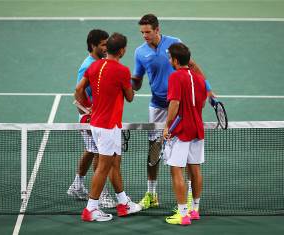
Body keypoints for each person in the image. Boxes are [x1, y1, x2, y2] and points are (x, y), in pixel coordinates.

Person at [131, 13, 214, 210]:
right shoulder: (139, 52)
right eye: (142, 32)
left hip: (179, 105)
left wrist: (208, 89)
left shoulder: (174, 43)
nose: (144, 35)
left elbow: (192, 66)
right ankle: (151, 194)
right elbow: (137, 81)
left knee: (183, 153)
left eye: (148, 32)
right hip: (158, 105)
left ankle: (188, 201)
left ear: (157, 29)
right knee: (154, 150)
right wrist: (126, 82)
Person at [75, 32, 142, 222]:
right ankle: (91, 209)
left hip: (96, 122)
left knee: (113, 163)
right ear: (122, 50)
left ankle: (123, 204)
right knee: (104, 167)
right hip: (108, 126)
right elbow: (129, 97)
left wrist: (88, 106)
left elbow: (79, 89)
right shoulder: (122, 71)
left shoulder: (95, 65)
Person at [67, 29, 116, 208]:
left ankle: (77, 185)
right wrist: (89, 113)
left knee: (90, 149)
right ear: (93, 45)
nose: (106, 47)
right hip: (90, 118)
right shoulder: (87, 65)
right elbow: (78, 92)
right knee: (99, 153)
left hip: (98, 116)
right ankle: (101, 194)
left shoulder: (101, 62)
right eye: (103, 44)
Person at [163, 42, 207, 225]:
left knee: (176, 170)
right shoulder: (198, 78)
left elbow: (174, 103)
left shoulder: (175, 77)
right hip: (197, 128)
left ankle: (182, 214)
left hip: (181, 130)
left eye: (170, 58)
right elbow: (202, 103)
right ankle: (194, 210)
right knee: (195, 169)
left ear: (174, 60)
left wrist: (167, 126)